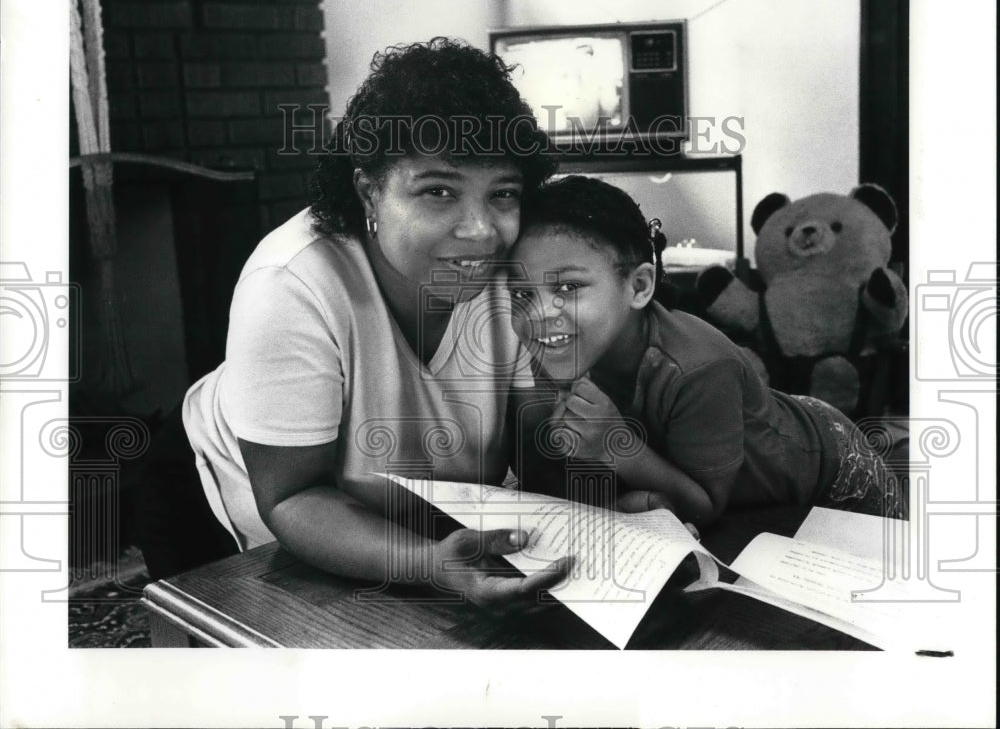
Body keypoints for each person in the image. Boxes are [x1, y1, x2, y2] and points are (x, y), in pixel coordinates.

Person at [181, 38, 571, 611]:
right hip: (250, 496)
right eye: (438, 191)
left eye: (503, 194)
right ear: (369, 190)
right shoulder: (291, 283)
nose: (481, 230)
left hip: (411, 511)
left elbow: (536, 445)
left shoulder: (511, 270)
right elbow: (292, 497)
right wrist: (428, 564)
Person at [507, 176, 904, 525]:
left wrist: (616, 445)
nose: (539, 314)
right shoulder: (560, 344)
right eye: (522, 293)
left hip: (831, 470)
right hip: (745, 467)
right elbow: (553, 471)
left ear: (639, 287)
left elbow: (704, 506)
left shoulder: (699, 367)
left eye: (568, 287)